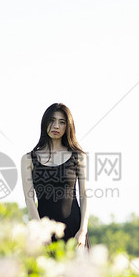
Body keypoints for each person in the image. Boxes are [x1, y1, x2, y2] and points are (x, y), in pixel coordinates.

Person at [20, 103, 90, 250]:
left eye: (62, 122)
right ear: (45, 123)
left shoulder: (78, 156)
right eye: (52, 120)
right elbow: (29, 199)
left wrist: (82, 231)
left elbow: (84, 195)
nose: (56, 126)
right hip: (43, 233)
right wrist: (39, 233)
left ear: (68, 126)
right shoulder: (28, 159)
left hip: (74, 231)